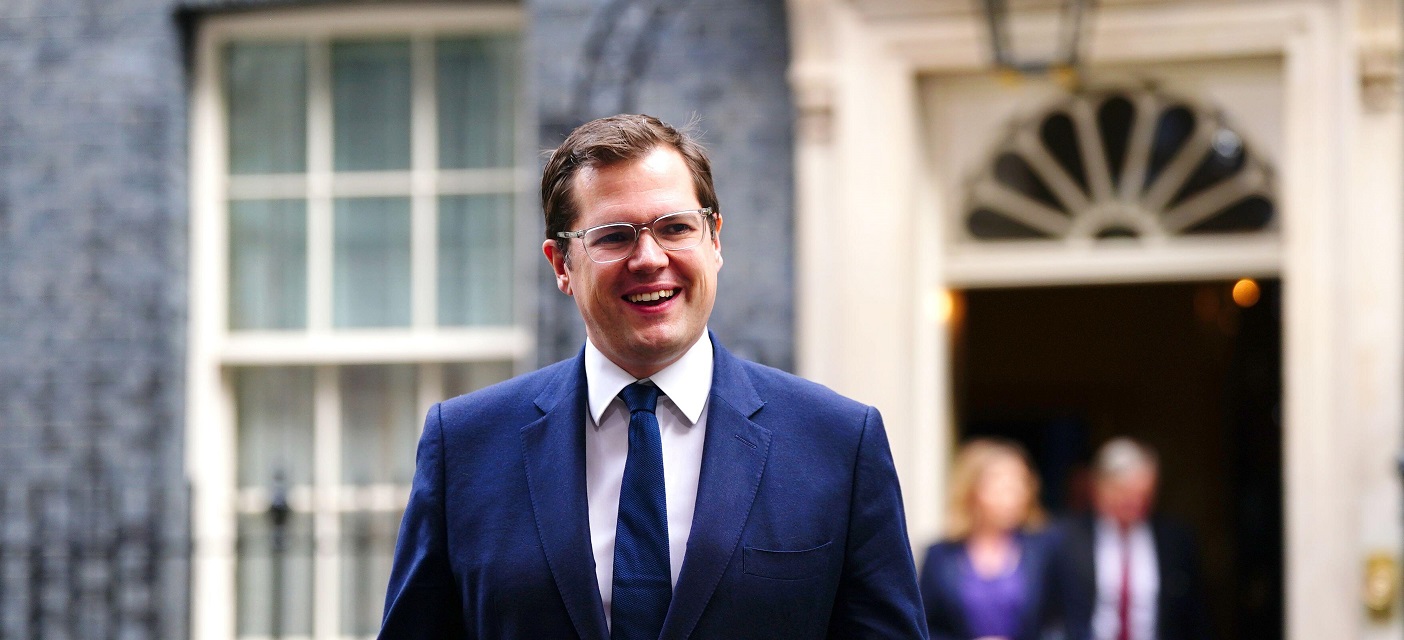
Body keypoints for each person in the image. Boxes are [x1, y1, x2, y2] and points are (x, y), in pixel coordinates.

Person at [379, 114, 927, 639]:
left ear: (715, 241)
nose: (649, 258)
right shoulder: (467, 446)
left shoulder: (837, 443)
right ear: (561, 265)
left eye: (675, 228)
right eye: (614, 236)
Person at [1047, 437, 1211, 640]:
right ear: (1100, 488)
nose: (1136, 503)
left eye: (1144, 495)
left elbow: (1195, 616)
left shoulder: (1176, 540)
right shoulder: (1064, 538)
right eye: (1126, 493)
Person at [918, 439, 1057, 640]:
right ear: (971, 490)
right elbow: (924, 628)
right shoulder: (939, 555)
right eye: (1002, 485)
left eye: (1021, 484)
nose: (1014, 495)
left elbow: (1060, 625)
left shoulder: (1046, 549)